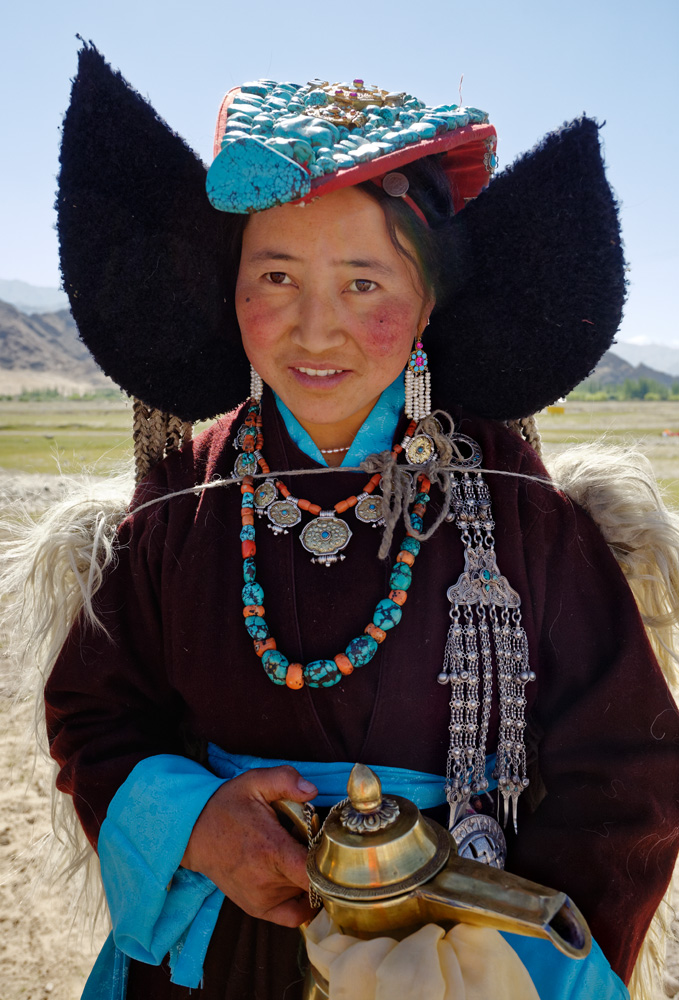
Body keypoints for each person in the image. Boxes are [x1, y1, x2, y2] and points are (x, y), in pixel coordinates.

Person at [35, 43, 679, 1000]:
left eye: (365, 283)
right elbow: (97, 712)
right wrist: (199, 825)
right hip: (219, 955)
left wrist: (497, 963)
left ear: (427, 303)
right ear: (230, 290)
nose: (316, 328)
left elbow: (625, 768)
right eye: (276, 277)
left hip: (461, 956)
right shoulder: (184, 496)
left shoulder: (515, 504)